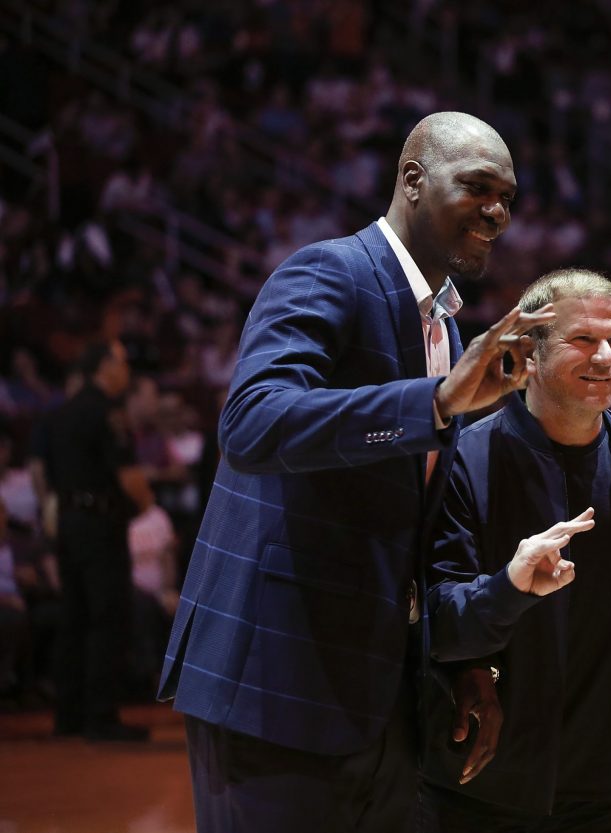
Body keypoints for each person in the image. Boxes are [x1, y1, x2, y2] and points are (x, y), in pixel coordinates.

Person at [158, 112, 555, 833]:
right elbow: (250, 422)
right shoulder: (329, 271)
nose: (497, 211)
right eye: (477, 186)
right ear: (412, 179)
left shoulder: (447, 328)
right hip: (274, 683)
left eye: (509, 196)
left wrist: (462, 664)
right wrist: (433, 401)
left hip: (377, 693)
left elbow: (416, 523)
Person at [416, 269, 611, 832]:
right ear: (529, 355)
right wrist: (507, 588)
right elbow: (435, 624)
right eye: (583, 340)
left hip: (600, 785)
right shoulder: (465, 460)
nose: (607, 357)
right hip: (480, 788)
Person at [42, 340, 153, 741]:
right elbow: (129, 478)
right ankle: (101, 716)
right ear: (104, 367)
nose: (126, 372)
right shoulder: (108, 412)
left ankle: (67, 716)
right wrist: (145, 505)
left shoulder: (60, 415)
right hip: (101, 522)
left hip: (67, 521)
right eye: (121, 363)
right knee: (108, 617)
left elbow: (45, 477)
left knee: (74, 617)